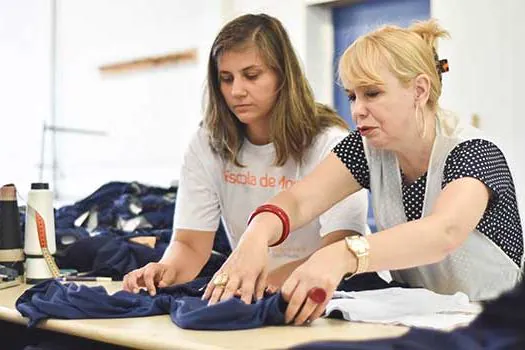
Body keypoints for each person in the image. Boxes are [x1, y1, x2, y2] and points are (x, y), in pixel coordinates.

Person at [202, 19, 524, 325]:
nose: (357, 110)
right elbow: (301, 201)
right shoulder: (367, 148)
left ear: (420, 90)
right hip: (425, 319)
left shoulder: (474, 153)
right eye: (352, 96)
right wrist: (255, 236)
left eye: (372, 94)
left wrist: (342, 255)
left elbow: (443, 233)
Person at [122, 14, 369, 299]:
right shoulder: (207, 143)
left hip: (325, 291)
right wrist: (165, 270)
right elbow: (190, 245)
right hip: (253, 291)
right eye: (226, 79)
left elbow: (337, 250)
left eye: (251, 76)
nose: (236, 91)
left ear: (282, 75)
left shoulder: (332, 142)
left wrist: (254, 283)